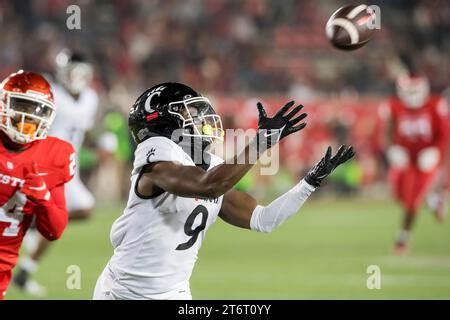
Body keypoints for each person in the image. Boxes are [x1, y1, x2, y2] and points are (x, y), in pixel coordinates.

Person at [93, 82, 354, 300]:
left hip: (175, 294)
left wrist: (309, 183)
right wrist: (261, 142)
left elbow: (264, 220)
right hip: (123, 293)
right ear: (162, 121)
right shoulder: (156, 161)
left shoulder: (211, 168)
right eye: (189, 113)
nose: (200, 119)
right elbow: (208, 186)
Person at [13, 50, 98, 295]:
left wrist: (101, 142)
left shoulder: (90, 98)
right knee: (58, 219)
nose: (75, 77)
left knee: (77, 213)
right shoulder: (51, 94)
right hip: (47, 164)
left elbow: (83, 130)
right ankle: (32, 230)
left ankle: (27, 256)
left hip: (70, 168)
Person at [0, 70, 75, 299]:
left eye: (35, 110)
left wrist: (44, 198)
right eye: (21, 106)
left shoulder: (54, 155)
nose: (27, 117)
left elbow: (54, 230)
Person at [380, 73, 449, 255]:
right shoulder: (394, 106)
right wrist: (391, 149)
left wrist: (436, 151)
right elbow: (387, 131)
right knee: (398, 194)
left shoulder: (435, 105)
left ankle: (402, 239)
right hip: (404, 157)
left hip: (426, 158)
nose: (411, 96)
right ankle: (433, 200)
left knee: (412, 200)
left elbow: (444, 135)